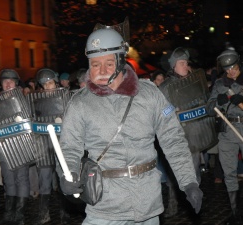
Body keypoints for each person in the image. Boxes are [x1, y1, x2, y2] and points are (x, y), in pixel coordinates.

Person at [57, 28, 203, 225]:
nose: (100, 71)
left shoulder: (150, 95)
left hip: (147, 203)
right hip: (105, 205)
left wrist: (189, 182)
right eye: (94, 64)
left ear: (120, 61)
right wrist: (68, 174)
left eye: (108, 63)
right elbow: (69, 147)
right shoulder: (80, 103)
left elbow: (173, 139)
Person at [159, 47, 218, 217]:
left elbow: (203, 105)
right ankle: (172, 205)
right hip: (174, 139)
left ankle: (194, 207)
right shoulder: (165, 87)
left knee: (193, 174)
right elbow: (160, 113)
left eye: (186, 63)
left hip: (194, 137)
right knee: (172, 175)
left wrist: (210, 107)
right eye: (182, 63)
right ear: (174, 66)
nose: (186, 66)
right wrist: (172, 111)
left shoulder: (194, 82)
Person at [206, 49, 243, 224]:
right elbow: (208, 107)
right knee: (229, 173)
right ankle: (236, 213)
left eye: (234, 68)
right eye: (228, 69)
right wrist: (217, 102)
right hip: (227, 131)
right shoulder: (220, 83)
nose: (231, 72)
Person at [30, 68, 71, 224]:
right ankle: (44, 212)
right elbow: (33, 120)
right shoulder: (36, 100)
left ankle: (64, 212)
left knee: (63, 178)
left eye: (50, 83)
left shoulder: (65, 98)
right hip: (44, 145)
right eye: (45, 84)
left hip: (62, 144)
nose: (48, 86)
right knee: (44, 180)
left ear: (56, 83)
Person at [0, 69, 30, 225]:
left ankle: (20, 213)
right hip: (4, 147)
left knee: (21, 179)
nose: (8, 83)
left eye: (11, 81)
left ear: (16, 84)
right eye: (5, 81)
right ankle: (9, 212)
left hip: (21, 147)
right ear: (1, 84)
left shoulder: (24, 101)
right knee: (8, 180)